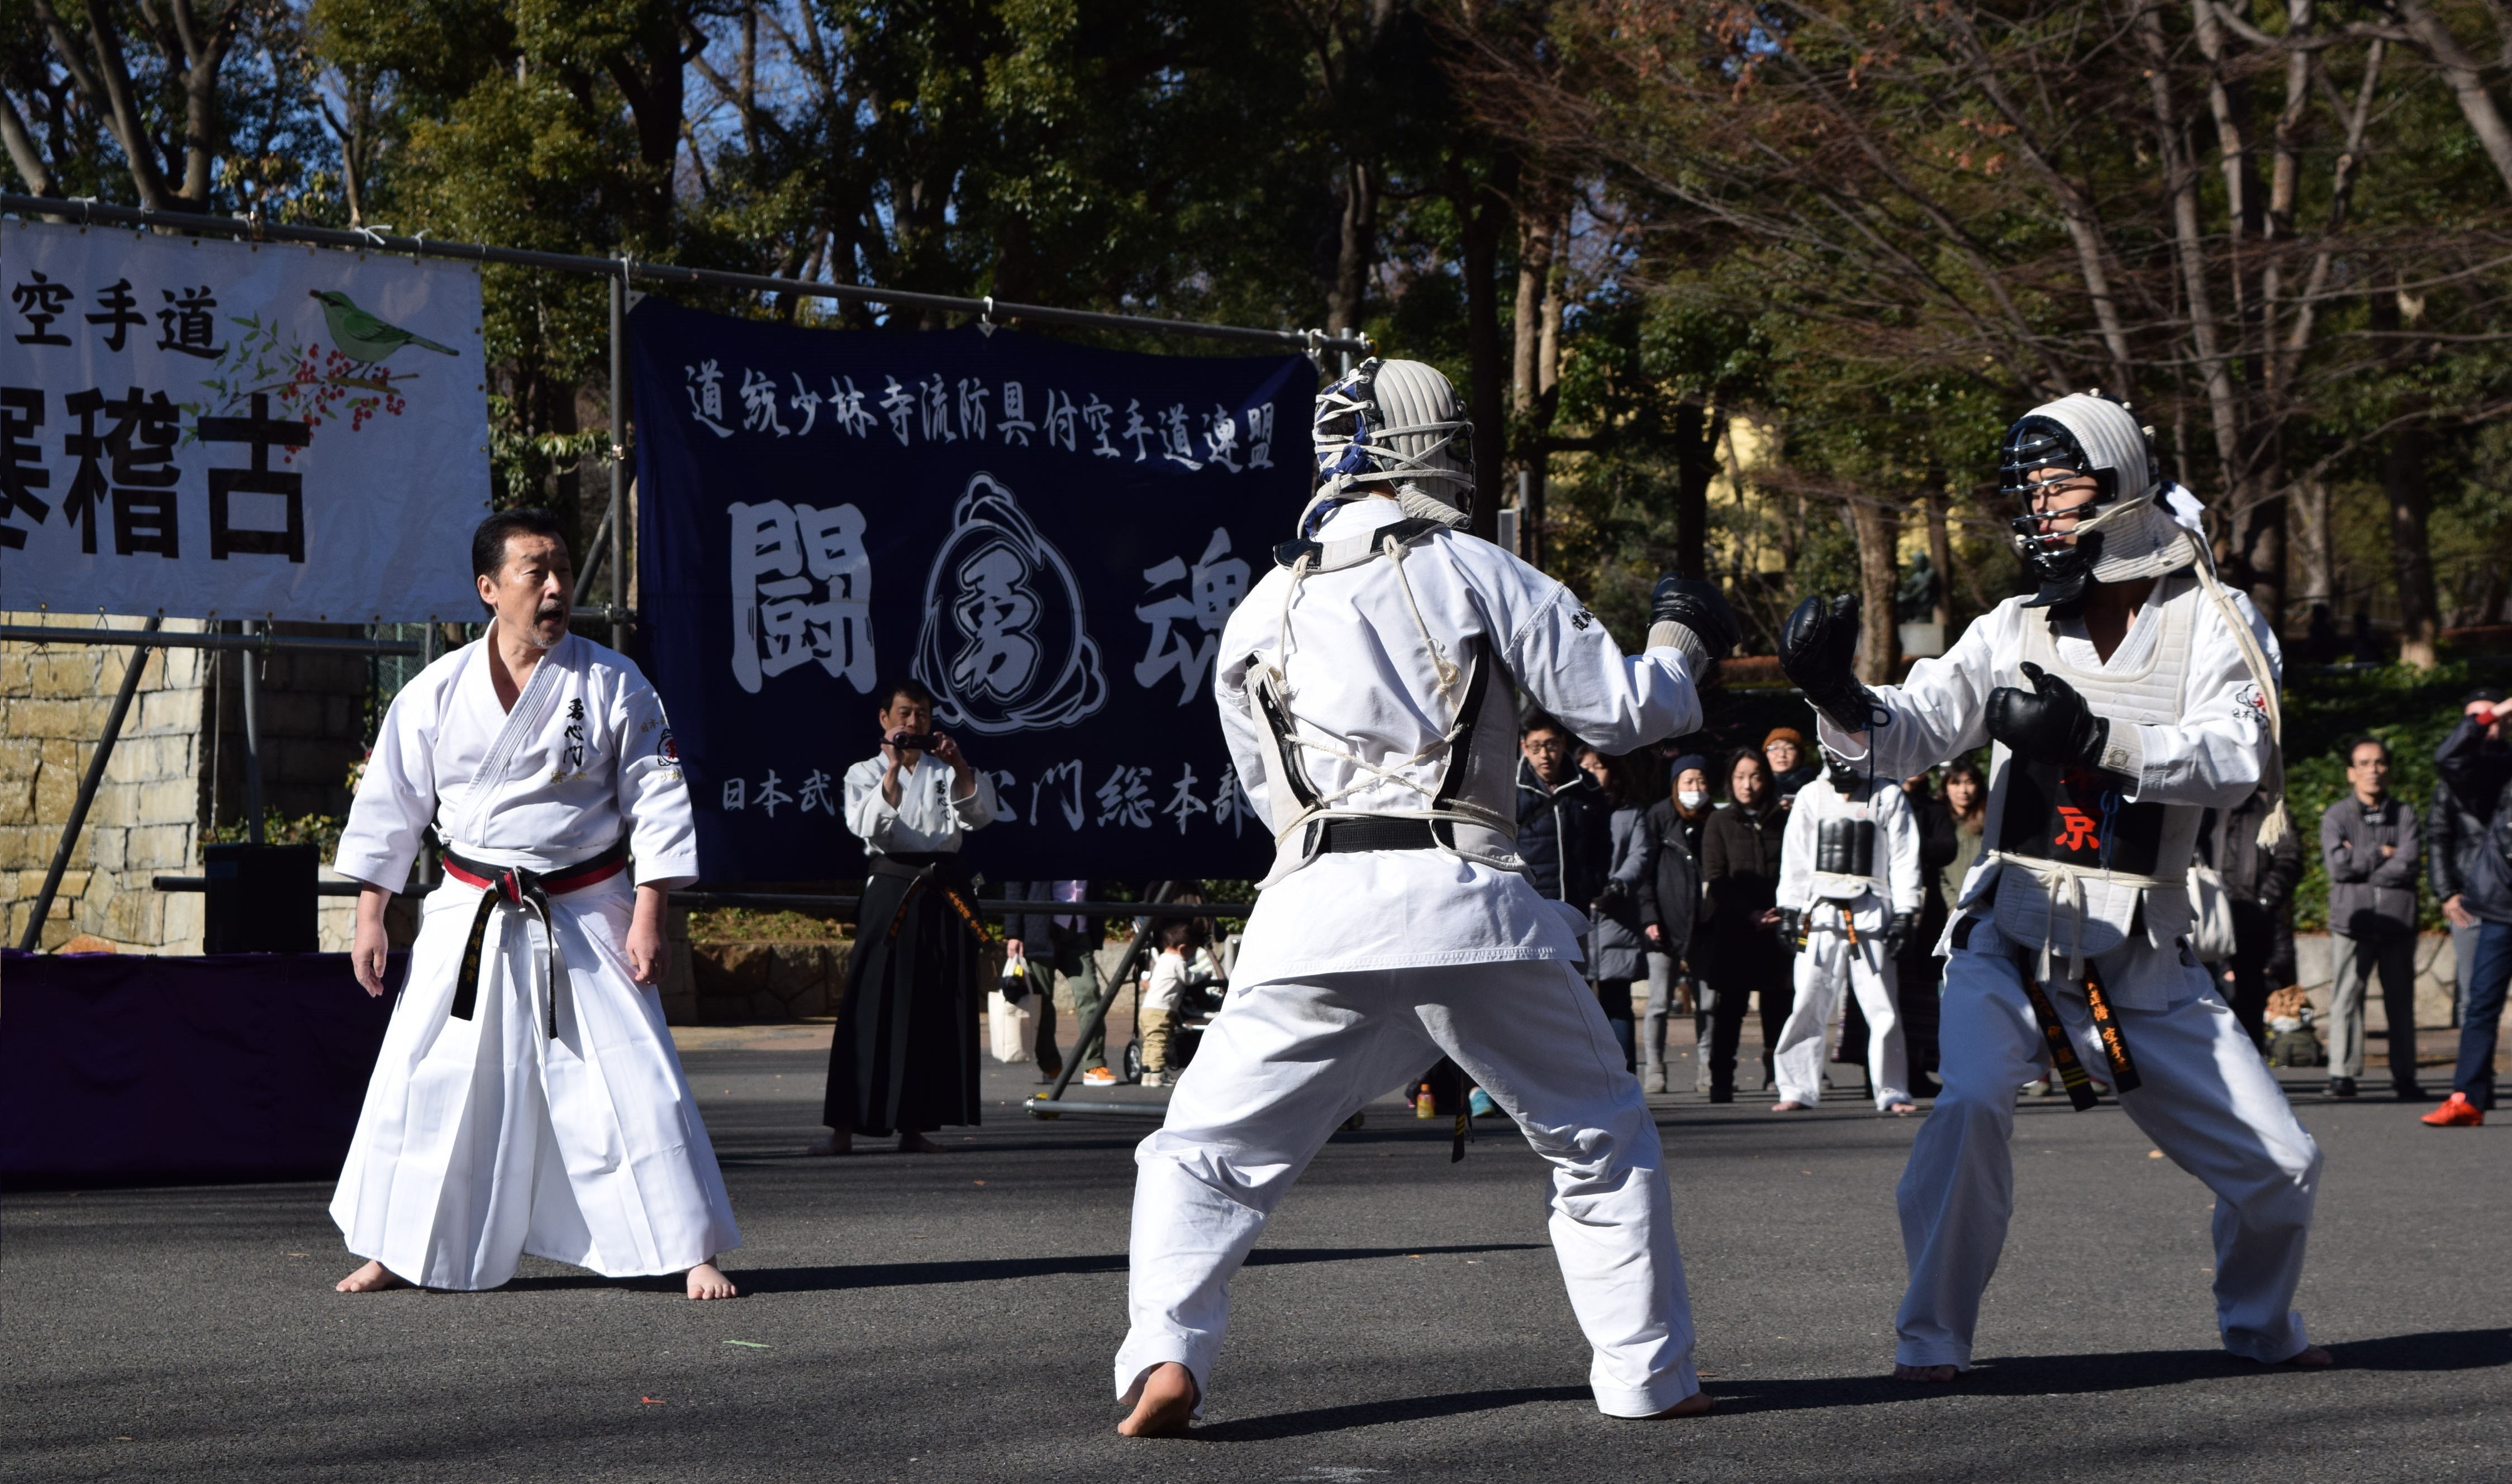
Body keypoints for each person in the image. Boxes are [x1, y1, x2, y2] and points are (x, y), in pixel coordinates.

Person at [1115, 356, 1738, 1435]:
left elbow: (1269, 794)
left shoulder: (1261, 607)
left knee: (1200, 1151)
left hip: (1312, 910)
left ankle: (1165, 1349)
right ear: (1422, 449)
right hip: (1470, 903)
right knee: (1596, 1137)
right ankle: (1646, 1374)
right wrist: (1681, 640)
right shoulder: (1472, 566)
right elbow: (1628, 710)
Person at [1781, 391, 2328, 1376]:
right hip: (2015, 940)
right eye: (2026, 492)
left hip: (2146, 965)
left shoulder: (2214, 618)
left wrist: (2092, 737)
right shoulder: (2012, 623)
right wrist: (1836, 695)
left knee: (2281, 1166)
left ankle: (2262, 1327)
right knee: (1972, 1103)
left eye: (2057, 487)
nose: (2038, 509)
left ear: (2119, 487)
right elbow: (1913, 726)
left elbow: (2240, 754)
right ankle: (1931, 1339)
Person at [329, 508, 739, 1300]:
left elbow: (657, 801)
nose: (556, 589)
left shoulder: (613, 681)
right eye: (535, 573)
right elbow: (391, 805)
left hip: (586, 910)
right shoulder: (437, 690)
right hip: (470, 908)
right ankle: (396, 1247)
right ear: (489, 589)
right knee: (429, 1080)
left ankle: (687, 1246)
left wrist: (650, 912)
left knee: (633, 1082)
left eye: (562, 571)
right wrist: (371, 914)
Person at [814, 679, 998, 1155]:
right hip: (892, 888)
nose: (912, 722)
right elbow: (866, 826)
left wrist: (959, 765)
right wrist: (893, 769)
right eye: (903, 713)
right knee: (869, 1004)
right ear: (884, 719)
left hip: (943, 892)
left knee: (933, 1008)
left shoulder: (946, 770)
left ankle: (915, 1128)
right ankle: (844, 1130)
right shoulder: (864, 771)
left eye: (921, 714)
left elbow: (979, 819)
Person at [1772, 748, 1922, 1112]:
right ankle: (1797, 1088)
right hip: (1819, 914)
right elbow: (1794, 859)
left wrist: (1906, 912)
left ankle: (1891, 1089)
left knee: (1883, 1007)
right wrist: (1789, 908)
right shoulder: (1811, 795)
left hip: (1870, 911)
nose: (1843, 765)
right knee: (1808, 1001)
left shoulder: (1888, 795)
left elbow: (1904, 859)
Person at [2421, 694, 2512, 1127]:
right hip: (2497, 905)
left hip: (2491, 898)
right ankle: (2468, 1097)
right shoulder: (2485, 778)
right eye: (2475, 719)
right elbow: (2449, 757)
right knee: (2481, 1006)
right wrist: (2496, 711)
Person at [2320, 736, 2424, 1100]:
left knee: (2401, 1002)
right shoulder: (2336, 815)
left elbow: (2409, 864)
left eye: (2379, 763)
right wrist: (2382, 852)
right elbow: (2337, 867)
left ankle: (2406, 1077)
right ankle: (2342, 1075)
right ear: (2351, 772)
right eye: (2364, 763)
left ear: (2388, 769)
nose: (2373, 770)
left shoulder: (2405, 813)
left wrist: (2361, 863)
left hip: (2398, 921)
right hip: (2352, 921)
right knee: (2346, 998)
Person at [1698, 749, 1793, 1102]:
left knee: (1779, 1007)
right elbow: (1716, 877)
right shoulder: (1719, 822)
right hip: (1733, 931)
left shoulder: (1784, 820)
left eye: (1755, 776)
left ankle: (1783, 1077)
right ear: (1730, 781)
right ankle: (1721, 1080)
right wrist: (1749, 914)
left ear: (1766, 779)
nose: (1747, 784)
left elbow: (1795, 868)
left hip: (1777, 927)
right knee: (1730, 1010)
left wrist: (1782, 911)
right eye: (1739, 777)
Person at [2203, 782, 2305, 1049]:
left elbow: (2290, 859)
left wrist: (2264, 901)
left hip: (2253, 916)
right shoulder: (2205, 805)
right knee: (2202, 991)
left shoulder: (2268, 808)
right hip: (2209, 912)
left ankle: (2252, 1063)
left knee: (2250, 996)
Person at [2430, 687, 2507, 1025]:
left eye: (2492, 716)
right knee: (2475, 998)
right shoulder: (2455, 777)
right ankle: (2474, 1076)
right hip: (2472, 899)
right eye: (2474, 720)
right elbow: (2438, 837)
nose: (2484, 725)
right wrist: (2447, 892)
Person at [1640, 754, 1713, 1093]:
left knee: (1709, 1003)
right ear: (1675, 785)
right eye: (1688, 782)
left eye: (1700, 781)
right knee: (1657, 1004)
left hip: (1706, 926)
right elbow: (1645, 873)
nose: (1695, 788)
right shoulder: (1657, 817)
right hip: (1663, 925)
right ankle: (1655, 1068)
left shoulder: (1715, 819)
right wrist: (1650, 917)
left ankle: (1708, 1068)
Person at [1585, 747, 1657, 1072]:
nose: (1591, 771)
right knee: (1575, 1006)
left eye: (1598, 766)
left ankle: (1624, 1075)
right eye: (1584, 766)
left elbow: (1640, 855)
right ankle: (1581, 1077)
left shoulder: (1632, 813)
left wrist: (1617, 885)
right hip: (1580, 915)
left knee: (1617, 1003)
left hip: (1617, 918)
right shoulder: (1574, 807)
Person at [1003, 880, 1106, 1083]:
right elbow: (1016, 884)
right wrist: (1014, 933)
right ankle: (1051, 1067)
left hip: (1079, 930)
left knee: (1089, 992)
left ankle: (1094, 1065)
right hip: (1041, 928)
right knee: (1041, 1002)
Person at [1517, 714, 1612, 907]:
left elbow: (1601, 841)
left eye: (1550, 745)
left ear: (1562, 742)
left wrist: (1594, 884)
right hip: (1529, 903)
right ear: (1524, 748)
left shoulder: (1587, 786)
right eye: (1535, 747)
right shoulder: (1510, 787)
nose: (1544, 755)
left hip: (1576, 902)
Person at [1138, 920, 1201, 1088]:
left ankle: (1147, 1075)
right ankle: (1158, 1075)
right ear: (1183, 948)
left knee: (1150, 1042)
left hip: (1147, 1009)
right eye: (1190, 953)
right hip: (1161, 1010)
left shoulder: (1163, 959)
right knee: (1160, 1042)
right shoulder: (1177, 962)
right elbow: (1189, 979)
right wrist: (1205, 975)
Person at [1764, 726, 1818, 806]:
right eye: (1774, 748)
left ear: (1800, 755)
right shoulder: (1761, 786)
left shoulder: (1816, 785)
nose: (1782, 754)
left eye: (1789, 748)